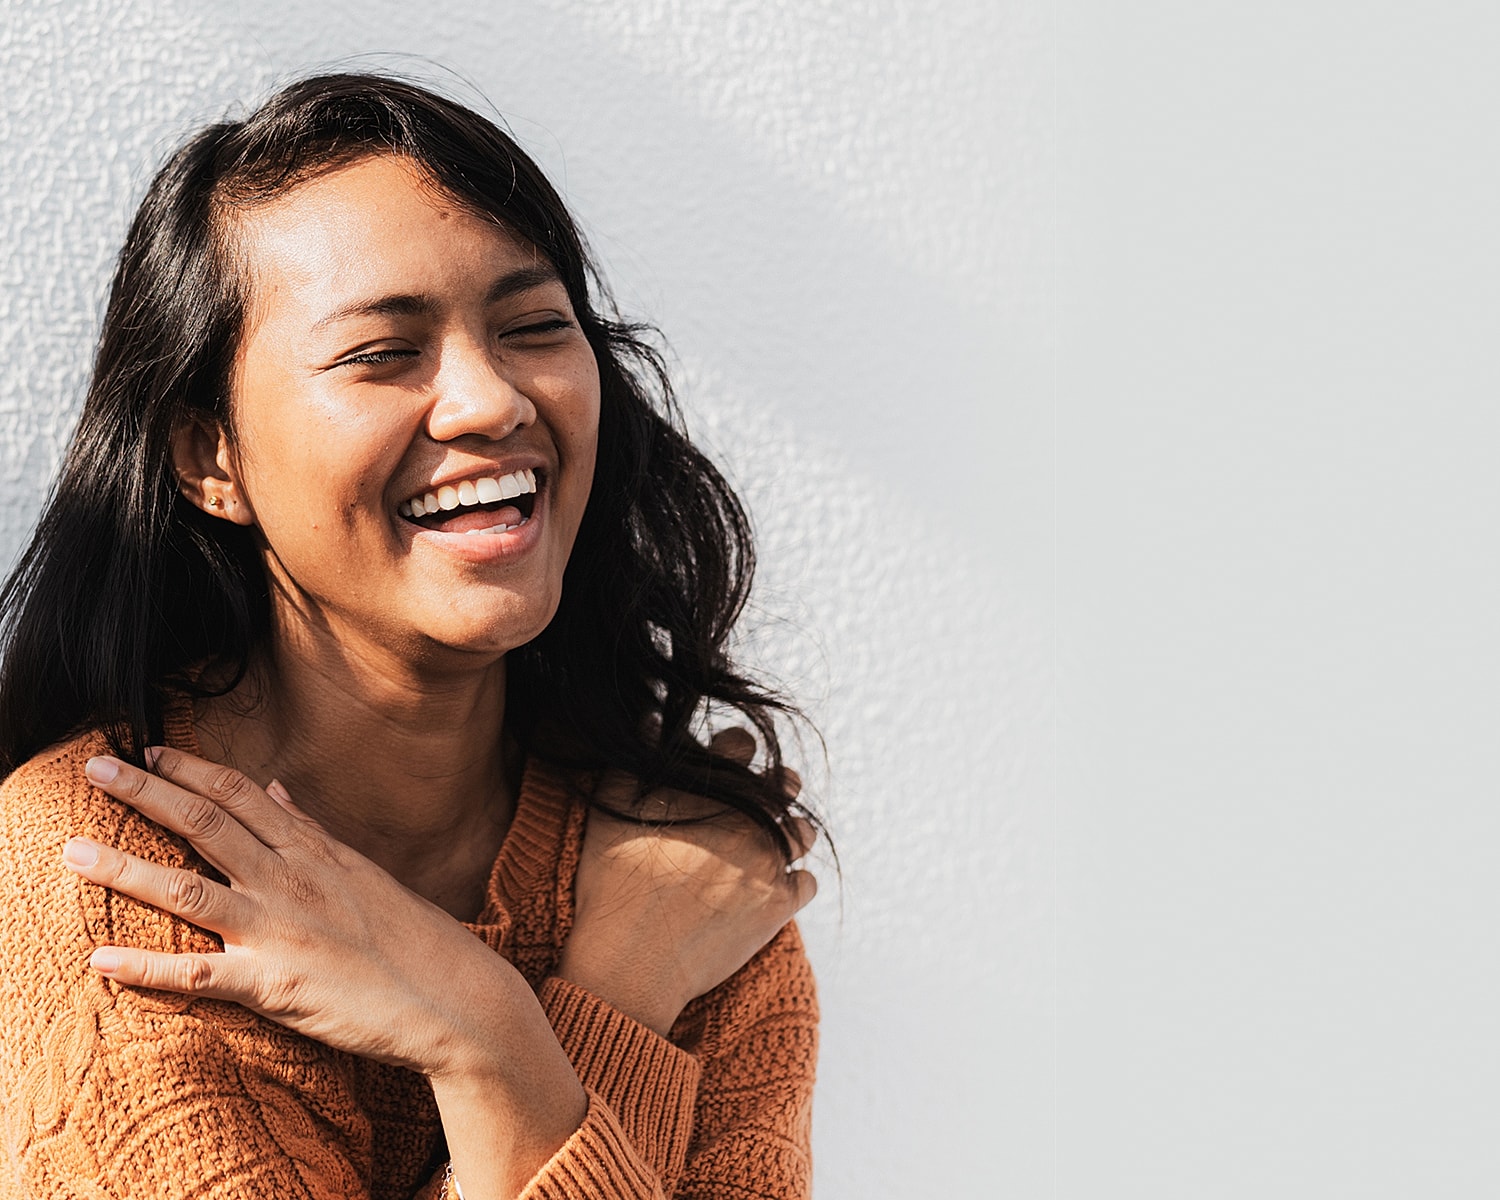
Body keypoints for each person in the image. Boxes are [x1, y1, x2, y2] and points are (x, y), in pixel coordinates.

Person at [0, 73, 821, 1200]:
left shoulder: (689, 876)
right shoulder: (110, 871)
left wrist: (542, 1018)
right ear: (211, 459)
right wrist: (534, 1023)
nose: (491, 401)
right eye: (383, 353)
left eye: (535, 327)